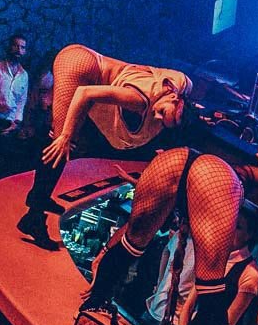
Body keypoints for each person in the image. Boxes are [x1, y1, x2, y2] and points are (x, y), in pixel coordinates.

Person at [83, 147, 258, 325]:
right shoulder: (239, 176)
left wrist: (104, 252)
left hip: (174, 159)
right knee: (210, 286)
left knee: (131, 246)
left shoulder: (233, 173)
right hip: (213, 182)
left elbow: (133, 233)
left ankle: (92, 305)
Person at [18, 44, 192, 248]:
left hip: (90, 65)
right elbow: (84, 93)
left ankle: (38, 200)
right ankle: (35, 212)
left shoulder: (181, 83)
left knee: (68, 143)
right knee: (60, 145)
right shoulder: (139, 100)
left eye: (163, 121)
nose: (157, 117)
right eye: (163, 112)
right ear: (173, 97)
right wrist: (65, 135)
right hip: (77, 65)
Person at [177, 205, 258, 325]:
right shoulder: (214, 257)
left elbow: (228, 323)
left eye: (238, 227)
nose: (230, 230)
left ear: (249, 235)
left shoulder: (250, 273)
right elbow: (189, 304)